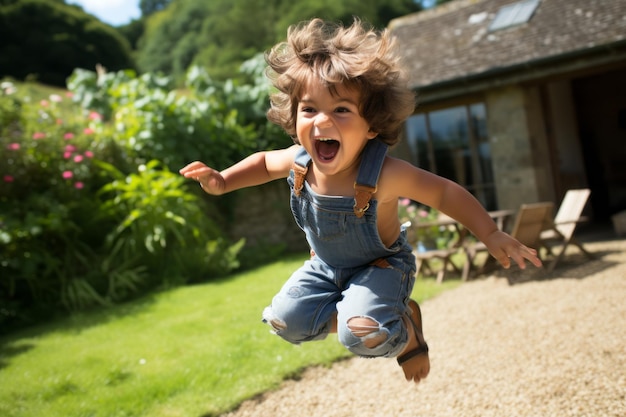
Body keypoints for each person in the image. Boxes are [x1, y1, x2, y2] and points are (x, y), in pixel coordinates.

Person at [180, 18, 542, 384]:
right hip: (325, 267)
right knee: (282, 321)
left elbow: (444, 192)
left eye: (341, 110)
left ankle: (402, 331)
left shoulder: (384, 174)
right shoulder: (298, 162)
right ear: (294, 117)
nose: (322, 120)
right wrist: (223, 180)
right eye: (309, 109)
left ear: (371, 126)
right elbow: (261, 162)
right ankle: (370, 316)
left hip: (381, 268)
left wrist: (490, 233)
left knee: (361, 335)